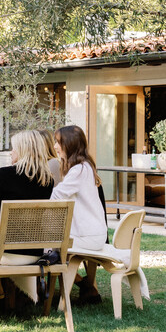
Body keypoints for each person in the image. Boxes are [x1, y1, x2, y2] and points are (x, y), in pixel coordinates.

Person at [0, 130, 54, 309]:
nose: (10, 153)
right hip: (35, 253)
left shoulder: (5, 175)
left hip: (6, 253)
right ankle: (18, 296)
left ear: (23, 150)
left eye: (14, 148)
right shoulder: (48, 180)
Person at [50, 125, 108, 302]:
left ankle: (84, 286)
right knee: (50, 246)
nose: (55, 147)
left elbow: (56, 196)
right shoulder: (84, 166)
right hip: (93, 232)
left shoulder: (78, 170)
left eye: (58, 143)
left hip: (88, 235)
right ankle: (86, 287)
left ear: (70, 144)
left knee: (46, 248)